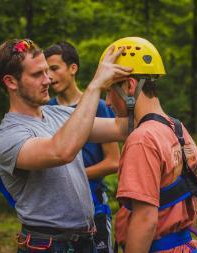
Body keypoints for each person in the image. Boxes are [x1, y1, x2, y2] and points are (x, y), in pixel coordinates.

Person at [0, 38, 131, 253]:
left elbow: (121, 128)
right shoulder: (7, 137)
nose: (48, 80)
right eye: (37, 74)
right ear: (11, 82)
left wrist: (139, 85)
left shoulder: (61, 115)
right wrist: (95, 85)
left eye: (47, 71)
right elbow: (61, 151)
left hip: (86, 239)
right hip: (47, 245)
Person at [102, 37, 197, 253]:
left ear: (129, 85)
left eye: (109, 90)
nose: (108, 102)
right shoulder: (177, 129)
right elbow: (196, 195)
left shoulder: (142, 139)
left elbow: (145, 219)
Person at [44, 41, 119, 253]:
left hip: (93, 202)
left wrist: (75, 175)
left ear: (73, 68)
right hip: (58, 208)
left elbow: (114, 161)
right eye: (45, 70)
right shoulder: (46, 110)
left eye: (55, 68)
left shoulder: (99, 106)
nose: (49, 76)